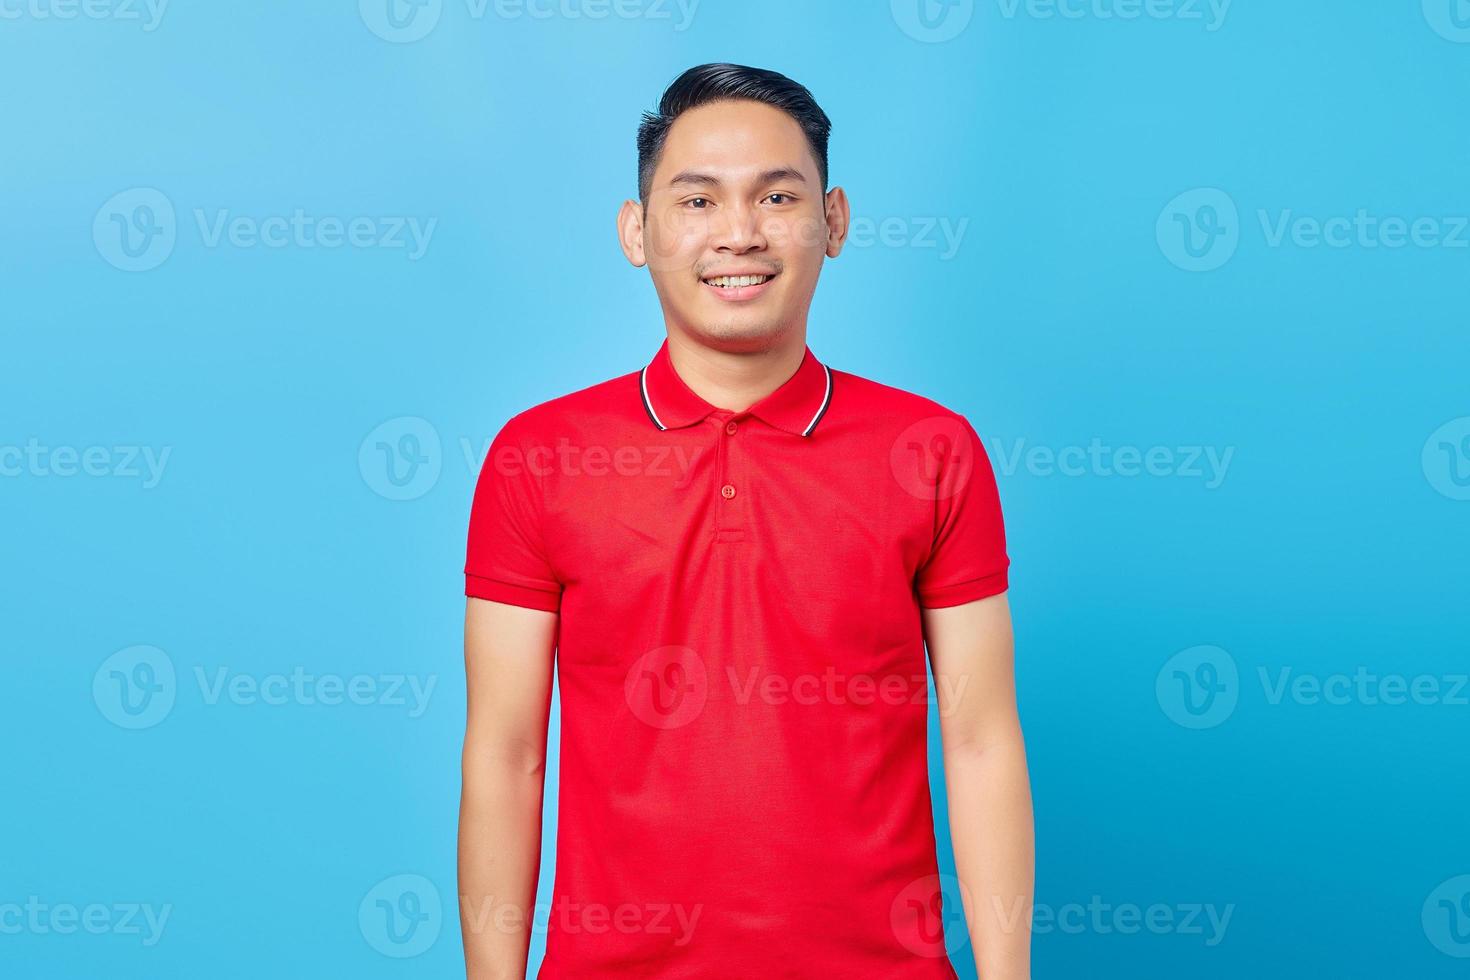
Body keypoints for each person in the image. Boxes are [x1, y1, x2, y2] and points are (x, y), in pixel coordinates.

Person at [459, 62, 1033, 979]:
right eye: (697, 201)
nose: (739, 233)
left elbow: (981, 738)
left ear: (833, 221)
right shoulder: (541, 457)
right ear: (637, 231)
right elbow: (506, 753)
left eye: (776, 196)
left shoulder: (930, 450)